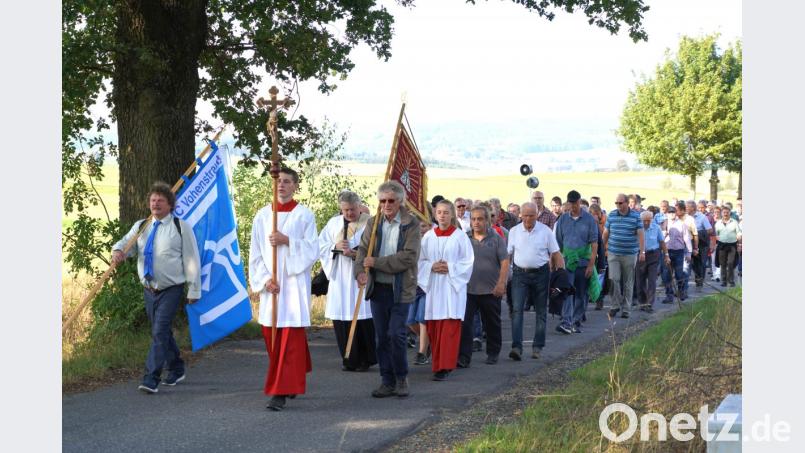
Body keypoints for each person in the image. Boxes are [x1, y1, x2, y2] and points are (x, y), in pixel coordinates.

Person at [112, 182, 201, 394]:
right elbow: (126, 245)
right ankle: (177, 368)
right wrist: (118, 251)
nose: (156, 203)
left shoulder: (180, 227)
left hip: (171, 289)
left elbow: (192, 259)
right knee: (160, 332)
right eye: (153, 200)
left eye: (161, 200)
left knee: (159, 332)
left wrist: (194, 289)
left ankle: (151, 378)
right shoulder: (141, 226)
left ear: (170, 205)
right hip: (149, 289)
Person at [249, 168, 319, 411]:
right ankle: (292, 375)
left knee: (288, 340)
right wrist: (265, 280)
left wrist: (287, 240)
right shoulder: (263, 215)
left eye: (287, 181)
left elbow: (312, 249)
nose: (281, 185)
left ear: (295, 186)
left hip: (293, 286)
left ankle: (279, 392)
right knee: (272, 338)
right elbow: (255, 253)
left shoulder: (304, 215)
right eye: (278, 181)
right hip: (272, 287)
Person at [355, 181, 421, 398]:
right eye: (382, 201)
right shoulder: (374, 223)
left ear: (400, 201)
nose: (386, 204)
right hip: (378, 289)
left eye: (391, 200)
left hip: (401, 288)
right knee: (382, 337)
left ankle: (402, 377)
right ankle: (387, 380)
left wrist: (377, 263)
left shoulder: (411, 224)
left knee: (396, 334)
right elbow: (363, 250)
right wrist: (360, 272)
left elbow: (408, 257)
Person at [318, 190, 375, 372]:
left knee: (363, 317)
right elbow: (320, 245)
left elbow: (377, 249)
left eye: (352, 209)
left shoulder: (370, 223)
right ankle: (349, 359)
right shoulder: (333, 223)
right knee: (343, 317)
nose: (349, 213)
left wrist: (356, 254)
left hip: (360, 277)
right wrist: (335, 247)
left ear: (359, 206)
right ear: (341, 209)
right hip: (340, 278)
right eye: (346, 210)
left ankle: (365, 359)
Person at [418, 200, 474, 381]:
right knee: (434, 328)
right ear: (435, 214)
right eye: (439, 212)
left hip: (452, 289)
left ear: (452, 215)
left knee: (449, 328)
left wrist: (450, 267)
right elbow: (419, 261)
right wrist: (431, 267)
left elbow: (468, 262)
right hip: (434, 287)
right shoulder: (428, 237)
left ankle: (446, 366)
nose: (442, 215)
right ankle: (437, 363)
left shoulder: (460, 236)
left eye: (446, 212)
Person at [507, 202, 564, 360]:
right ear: (521, 215)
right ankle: (516, 347)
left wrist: (561, 275)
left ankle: (537, 347)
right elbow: (508, 254)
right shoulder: (514, 231)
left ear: (537, 215)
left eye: (531, 215)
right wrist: (504, 276)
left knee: (541, 310)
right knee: (517, 310)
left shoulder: (545, 231)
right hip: (519, 273)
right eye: (525, 215)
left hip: (541, 274)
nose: (528, 219)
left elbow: (556, 253)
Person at [459, 205, 508, 366]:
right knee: (465, 324)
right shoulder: (464, 238)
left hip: (491, 290)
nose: (476, 222)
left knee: (492, 323)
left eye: (480, 219)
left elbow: (505, 261)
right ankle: (464, 357)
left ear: (487, 220)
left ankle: (493, 352)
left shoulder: (496, 239)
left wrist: (501, 283)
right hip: (468, 290)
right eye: (473, 219)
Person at [553, 190, 599, 334]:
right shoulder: (563, 219)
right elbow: (558, 243)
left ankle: (576, 321)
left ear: (579, 202)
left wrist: (591, 265)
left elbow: (594, 244)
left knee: (581, 293)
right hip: (567, 262)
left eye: (575, 203)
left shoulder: (589, 219)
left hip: (583, 261)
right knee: (567, 291)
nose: (573, 206)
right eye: (570, 203)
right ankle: (567, 321)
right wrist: (556, 262)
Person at [603, 193, 645, 319]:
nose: (618, 205)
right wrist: (602, 248)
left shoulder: (635, 216)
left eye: (620, 203)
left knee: (628, 282)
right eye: (616, 203)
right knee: (613, 279)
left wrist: (642, 252)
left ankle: (626, 309)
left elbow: (641, 235)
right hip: (613, 252)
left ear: (627, 203)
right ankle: (615, 305)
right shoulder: (612, 215)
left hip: (630, 254)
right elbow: (606, 233)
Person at [409, 218, 435, 366]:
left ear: (430, 226)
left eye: (424, 226)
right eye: (418, 227)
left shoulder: (432, 240)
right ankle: (429, 341)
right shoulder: (410, 240)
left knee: (422, 318)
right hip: (413, 284)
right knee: (410, 320)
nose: (421, 229)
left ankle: (422, 352)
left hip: (427, 285)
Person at [635, 211, 670, 312]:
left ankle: (649, 303)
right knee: (640, 280)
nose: (646, 223)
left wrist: (666, 255)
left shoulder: (656, 228)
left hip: (653, 255)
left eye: (648, 221)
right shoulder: (637, 228)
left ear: (651, 220)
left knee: (652, 280)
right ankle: (642, 302)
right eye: (644, 221)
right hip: (640, 256)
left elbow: (662, 242)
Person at [664, 206, 693, 301]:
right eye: (669, 212)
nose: (671, 214)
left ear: (676, 213)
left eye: (673, 212)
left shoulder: (681, 224)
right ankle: (669, 296)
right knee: (667, 275)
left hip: (679, 252)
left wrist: (689, 253)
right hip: (667, 252)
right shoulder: (663, 224)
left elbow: (687, 239)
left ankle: (681, 292)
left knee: (679, 274)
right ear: (666, 213)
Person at [674, 201, 698, 299]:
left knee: (685, 269)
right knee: (677, 271)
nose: (675, 212)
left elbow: (695, 234)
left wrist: (695, 248)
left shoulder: (690, 219)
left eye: (677, 210)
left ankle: (684, 291)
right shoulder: (673, 219)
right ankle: (679, 289)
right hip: (675, 247)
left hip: (686, 246)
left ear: (683, 210)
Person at [687, 200, 713, 287]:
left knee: (701, 262)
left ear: (693, 208)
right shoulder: (685, 217)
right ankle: (686, 283)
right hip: (688, 242)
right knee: (690, 262)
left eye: (687, 207)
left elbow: (710, 230)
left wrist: (697, 233)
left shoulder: (702, 217)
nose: (685, 209)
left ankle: (700, 280)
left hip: (701, 243)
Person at [715, 206, 741, 287]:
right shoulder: (718, 223)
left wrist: (739, 243)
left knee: (730, 263)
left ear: (730, 213)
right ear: (721, 213)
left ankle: (731, 281)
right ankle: (724, 281)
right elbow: (716, 234)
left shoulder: (734, 222)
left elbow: (739, 233)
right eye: (724, 212)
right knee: (722, 264)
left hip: (732, 245)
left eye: (727, 212)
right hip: (722, 245)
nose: (725, 214)